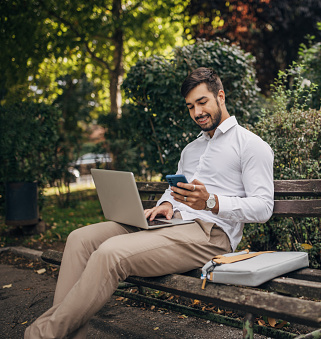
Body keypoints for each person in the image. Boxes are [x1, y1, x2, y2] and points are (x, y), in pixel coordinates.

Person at [25, 67, 274, 338]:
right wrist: (166, 204)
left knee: (111, 253)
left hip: (209, 235)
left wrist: (211, 202)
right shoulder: (191, 150)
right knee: (79, 239)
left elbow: (263, 207)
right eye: (190, 106)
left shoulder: (251, 145)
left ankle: (42, 334)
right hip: (168, 224)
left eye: (202, 102)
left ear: (220, 97)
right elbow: (173, 190)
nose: (197, 112)